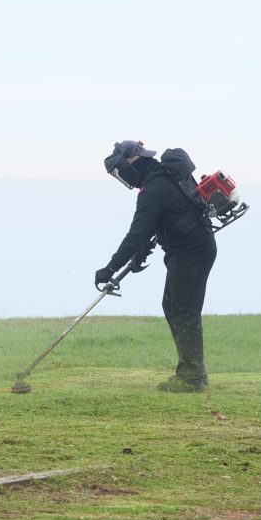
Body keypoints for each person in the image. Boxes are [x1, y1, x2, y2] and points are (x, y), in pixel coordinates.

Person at [95, 140, 217, 392]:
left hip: (190, 253)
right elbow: (157, 224)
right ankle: (193, 370)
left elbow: (136, 234)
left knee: (184, 311)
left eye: (121, 170)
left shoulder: (153, 190)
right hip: (194, 248)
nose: (123, 178)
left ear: (133, 164)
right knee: (172, 306)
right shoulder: (162, 177)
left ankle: (192, 377)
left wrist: (109, 269)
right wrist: (138, 256)